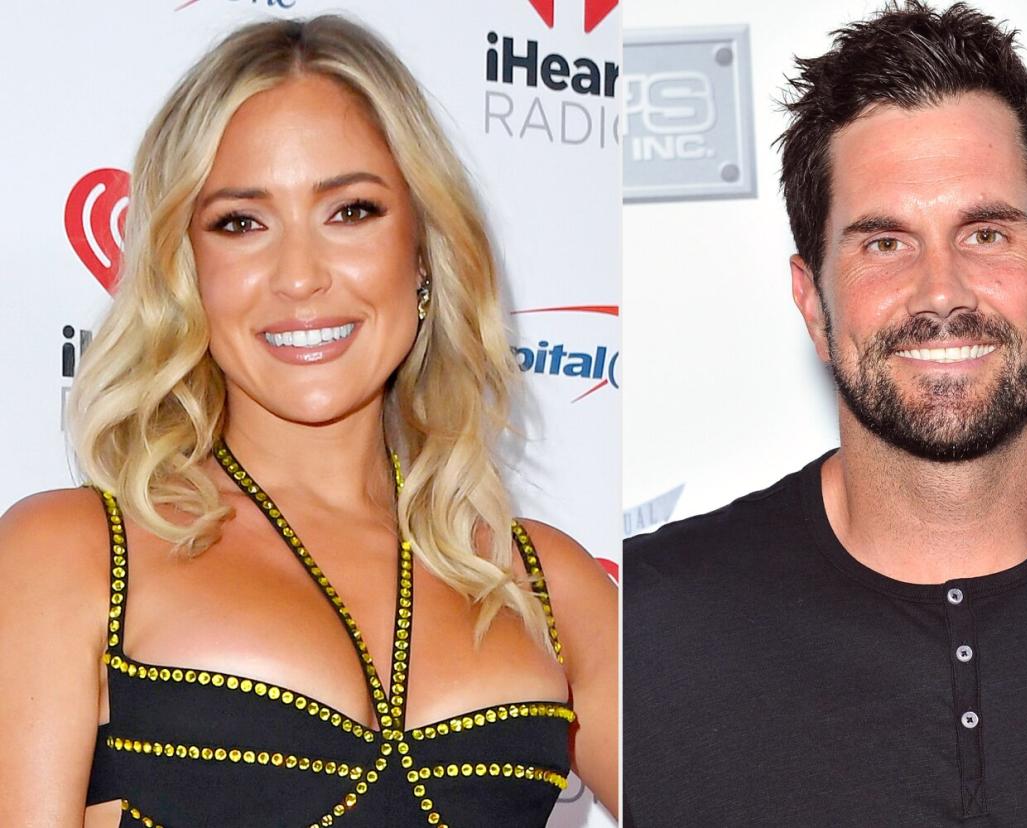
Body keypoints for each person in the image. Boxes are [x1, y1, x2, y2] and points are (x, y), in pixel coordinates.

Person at [623, 2, 1027, 825]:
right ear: (813, 305)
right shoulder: (647, 633)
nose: (941, 292)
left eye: (986, 234)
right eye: (884, 243)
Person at [0, 15, 616, 827]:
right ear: (187, 272)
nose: (299, 277)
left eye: (351, 211)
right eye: (241, 224)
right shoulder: (71, 554)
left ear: (425, 252)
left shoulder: (547, 583)